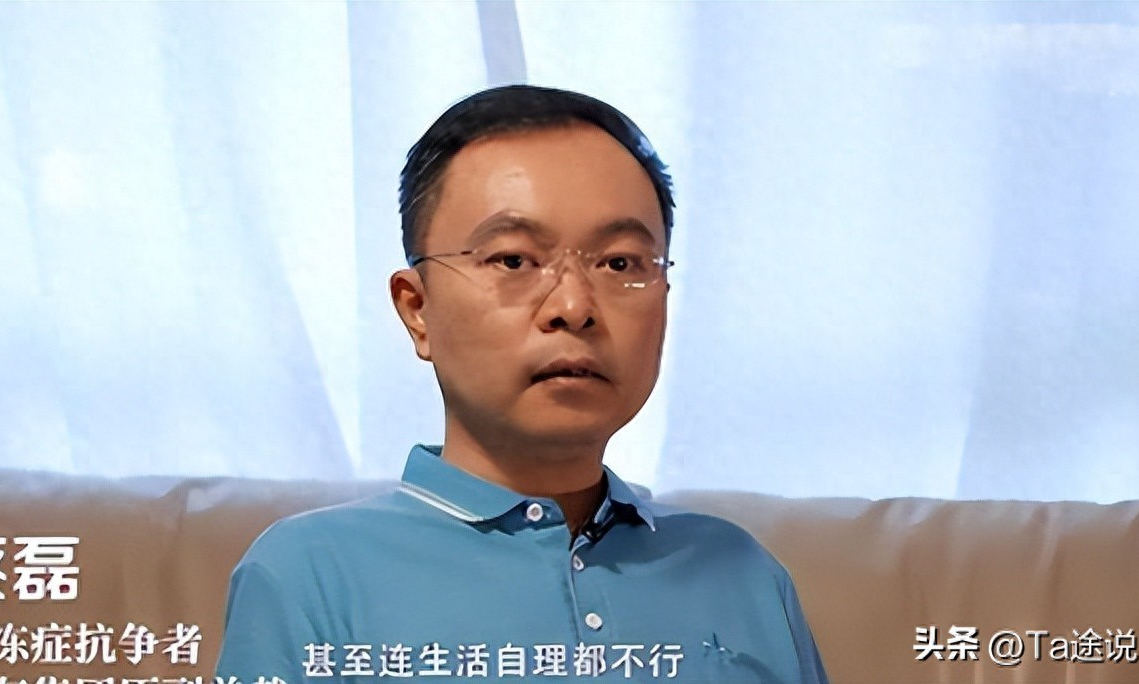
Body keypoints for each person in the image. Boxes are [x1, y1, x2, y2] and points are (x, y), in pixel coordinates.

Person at [217, 85, 828, 683]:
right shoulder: (309, 574)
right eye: (513, 260)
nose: (574, 307)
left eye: (619, 263)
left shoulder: (743, 573)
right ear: (417, 309)